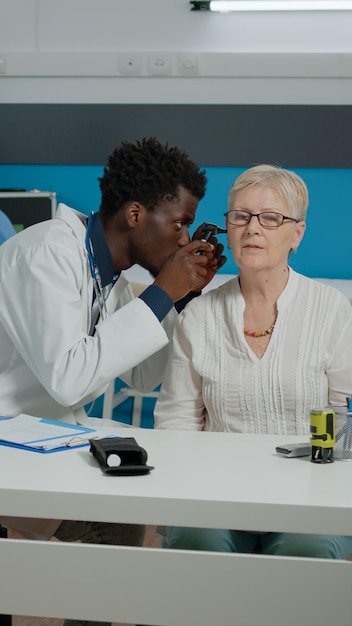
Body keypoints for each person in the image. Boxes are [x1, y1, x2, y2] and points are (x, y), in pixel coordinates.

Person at [0, 137, 226, 626]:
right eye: (180, 222)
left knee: (122, 521)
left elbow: (142, 374)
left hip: (45, 434)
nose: (185, 239)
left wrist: (177, 300)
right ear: (136, 215)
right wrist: (164, 289)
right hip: (11, 441)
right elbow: (69, 377)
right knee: (112, 534)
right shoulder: (46, 255)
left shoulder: (111, 276)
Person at [154, 164, 352, 560]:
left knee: (305, 550)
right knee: (198, 544)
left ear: (297, 233)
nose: (252, 228)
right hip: (216, 494)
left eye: (271, 218)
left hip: (309, 498)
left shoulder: (332, 311)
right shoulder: (198, 315)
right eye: (240, 216)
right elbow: (176, 422)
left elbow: (346, 425)